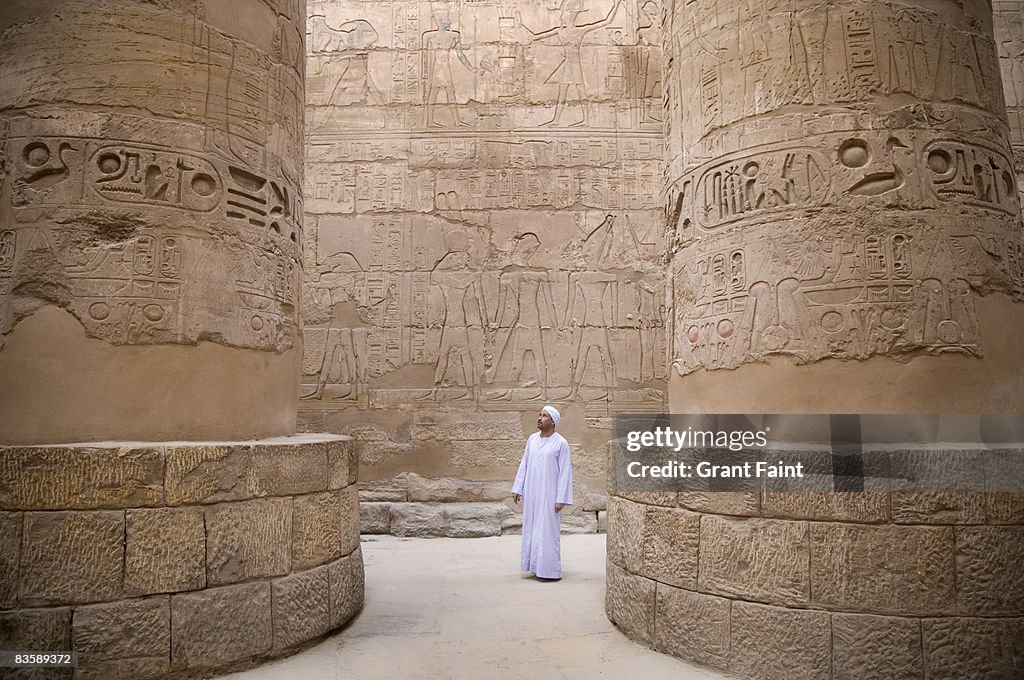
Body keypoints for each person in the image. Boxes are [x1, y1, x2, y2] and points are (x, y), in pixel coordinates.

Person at [511, 405, 573, 579]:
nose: (539, 418)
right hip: (532, 493)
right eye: (540, 415)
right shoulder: (532, 440)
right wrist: (518, 487)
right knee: (532, 528)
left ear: (553, 421)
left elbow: (565, 472)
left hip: (549, 495)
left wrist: (561, 498)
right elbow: (525, 463)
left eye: (544, 416)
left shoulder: (561, 443)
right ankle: (534, 566)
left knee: (547, 532)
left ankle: (550, 571)